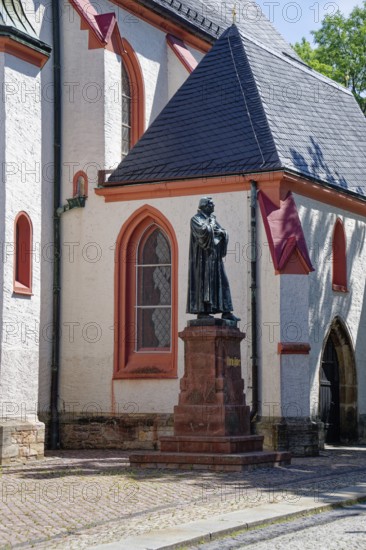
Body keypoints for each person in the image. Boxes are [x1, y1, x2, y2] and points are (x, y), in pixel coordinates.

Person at [187, 197, 239, 321]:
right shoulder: (196, 219)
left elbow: (220, 231)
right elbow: (203, 233)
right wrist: (211, 225)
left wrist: (223, 233)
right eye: (211, 204)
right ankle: (203, 311)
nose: (213, 206)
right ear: (204, 206)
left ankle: (226, 311)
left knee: (222, 282)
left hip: (214, 259)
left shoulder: (211, 219)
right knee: (204, 284)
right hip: (202, 261)